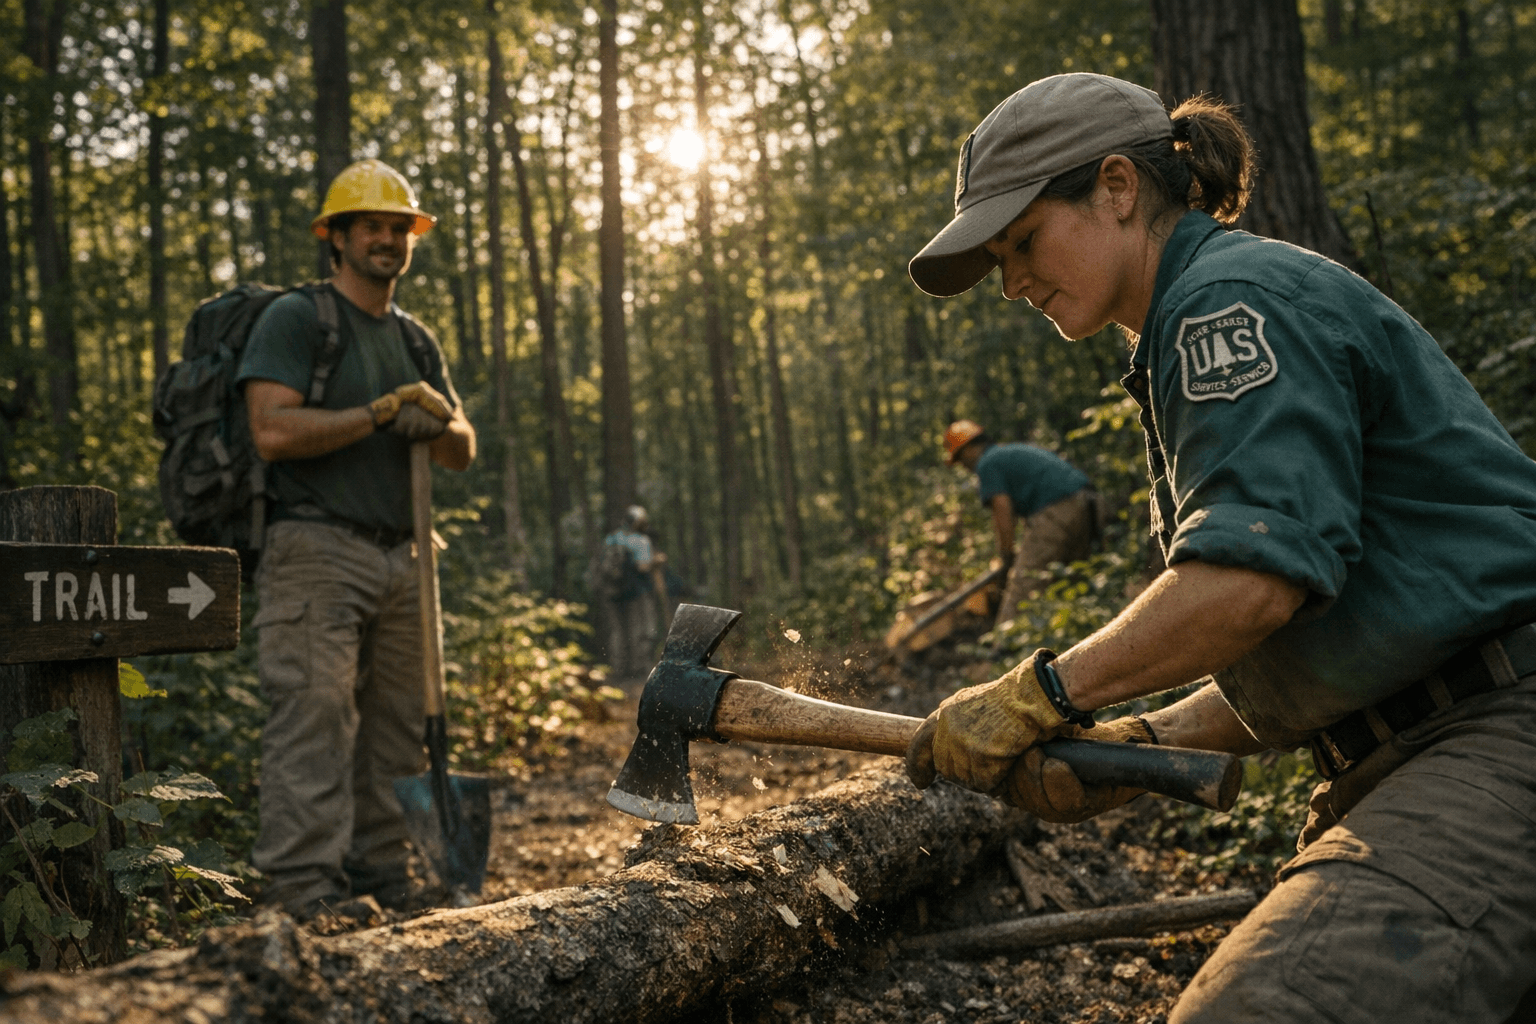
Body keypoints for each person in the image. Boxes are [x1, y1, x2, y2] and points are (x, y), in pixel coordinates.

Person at [904, 72, 1536, 1022]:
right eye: (999, 261)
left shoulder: (1224, 306)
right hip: (1435, 741)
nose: (1013, 284)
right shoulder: (1199, 314)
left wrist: (1044, 693)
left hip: (1498, 740)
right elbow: (1336, 644)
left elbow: (1246, 586)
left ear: (1118, 187)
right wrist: (1144, 743)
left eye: (1024, 241)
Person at [238, 159, 477, 920]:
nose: (388, 239)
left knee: (399, 729)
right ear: (335, 238)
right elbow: (272, 430)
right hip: (315, 549)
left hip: (407, 554)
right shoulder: (298, 319)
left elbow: (462, 449)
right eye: (370, 226)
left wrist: (435, 418)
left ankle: (384, 876)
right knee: (314, 712)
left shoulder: (415, 338)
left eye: (399, 228)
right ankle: (303, 889)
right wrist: (376, 414)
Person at [942, 419, 1096, 628]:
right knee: (1071, 580)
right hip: (1087, 503)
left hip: (1058, 509)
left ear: (968, 449)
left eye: (960, 459)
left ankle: (1006, 643)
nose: (963, 465)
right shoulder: (1007, 453)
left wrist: (1006, 556)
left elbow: (1002, 511)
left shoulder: (987, 463)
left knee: (1023, 586)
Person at [600, 505, 667, 679]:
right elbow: (642, 567)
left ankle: (618, 668)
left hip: (614, 591)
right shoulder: (641, 541)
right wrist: (656, 561)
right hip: (637, 593)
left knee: (618, 631)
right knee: (639, 629)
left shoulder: (612, 538)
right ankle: (638, 669)